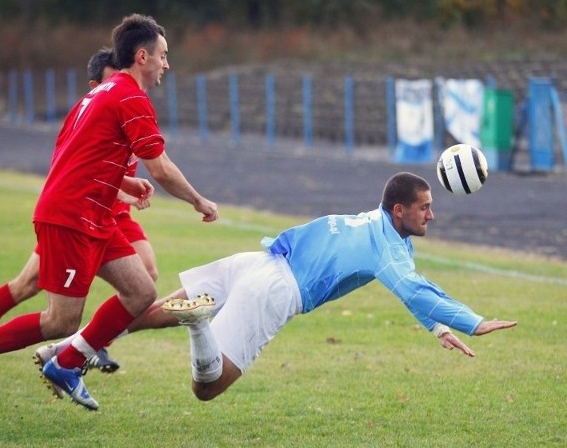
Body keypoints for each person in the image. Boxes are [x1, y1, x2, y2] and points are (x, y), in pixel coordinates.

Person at [0, 13, 218, 411]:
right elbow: (160, 167)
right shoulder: (130, 97)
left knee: (141, 291)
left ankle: (68, 363)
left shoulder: (98, 95)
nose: (166, 64)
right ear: (143, 57)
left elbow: (69, 155)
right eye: (163, 55)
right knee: (60, 321)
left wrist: (122, 184)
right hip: (72, 217)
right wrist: (198, 201)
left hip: (95, 215)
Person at [151, 172, 517, 401]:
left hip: (257, 261)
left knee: (146, 309)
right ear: (400, 210)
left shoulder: (378, 220)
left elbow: (409, 283)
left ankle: (91, 342)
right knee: (207, 388)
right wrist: (473, 322)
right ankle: (199, 325)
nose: (431, 215)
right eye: (425, 207)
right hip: (276, 290)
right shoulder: (387, 248)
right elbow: (414, 290)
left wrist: (435, 326)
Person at [0, 48, 154, 381]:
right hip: (76, 216)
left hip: (107, 217)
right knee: (30, 288)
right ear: (94, 85)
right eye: (111, 81)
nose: (119, 86)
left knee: (145, 279)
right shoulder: (95, 109)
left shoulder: (125, 106)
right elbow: (74, 167)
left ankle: (84, 347)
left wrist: (123, 188)